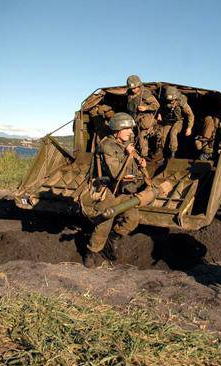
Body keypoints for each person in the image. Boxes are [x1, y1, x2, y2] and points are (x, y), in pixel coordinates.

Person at [84, 112, 149, 268]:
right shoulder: (107, 146)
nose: (131, 132)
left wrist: (140, 163)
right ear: (118, 129)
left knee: (132, 220)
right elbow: (117, 174)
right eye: (128, 129)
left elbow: (134, 169)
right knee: (104, 224)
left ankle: (112, 240)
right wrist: (128, 156)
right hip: (110, 192)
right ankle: (91, 252)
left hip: (125, 192)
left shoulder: (125, 144)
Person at [126, 75, 160, 158]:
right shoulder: (129, 94)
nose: (134, 90)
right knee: (129, 137)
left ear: (139, 85)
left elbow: (156, 105)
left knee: (142, 138)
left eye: (135, 88)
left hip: (144, 120)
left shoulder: (145, 93)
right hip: (133, 119)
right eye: (132, 89)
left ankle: (143, 158)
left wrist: (146, 108)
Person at [157, 86, 194, 158]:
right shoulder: (164, 100)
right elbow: (159, 107)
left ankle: (172, 154)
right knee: (163, 136)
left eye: (172, 100)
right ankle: (164, 155)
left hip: (179, 121)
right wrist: (159, 114)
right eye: (169, 100)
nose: (171, 102)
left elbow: (191, 115)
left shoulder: (182, 102)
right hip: (168, 120)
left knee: (173, 133)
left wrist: (189, 127)